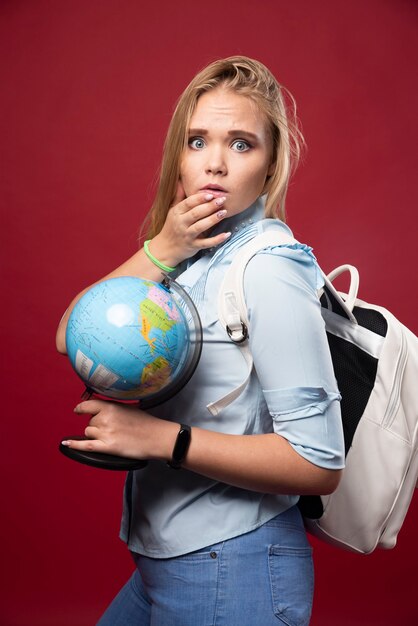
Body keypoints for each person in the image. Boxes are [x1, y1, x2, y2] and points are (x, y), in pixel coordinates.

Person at [56, 56, 345, 626]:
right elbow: (70, 334)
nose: (214, 163)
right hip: (167, 566)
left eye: (241, 145)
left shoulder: (268, 268)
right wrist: (162, 245)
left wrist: (159, 438)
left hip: (233, 567)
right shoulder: (189, 261)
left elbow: (318, 462)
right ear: (178, 158)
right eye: (197, 141)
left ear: (270, 166)